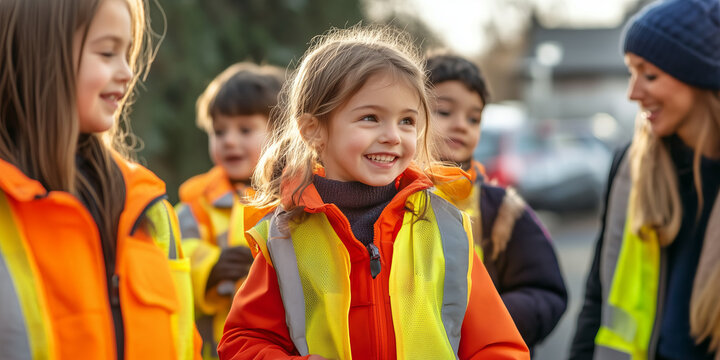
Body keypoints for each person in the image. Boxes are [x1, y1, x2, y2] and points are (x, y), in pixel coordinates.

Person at [217, 26, 530, 360]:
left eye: (407, 121)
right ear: (314, 130)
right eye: (370, 118)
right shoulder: (285, 238)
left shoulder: (448, 228)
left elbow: (498, 347)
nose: (393, 136)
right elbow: (243, 340)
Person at [0, 0, 201, 358]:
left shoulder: (149, 208)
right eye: (107, 53)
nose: (127, 72)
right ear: (39, 56)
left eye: (128, 53)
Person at [570, 0, 720, 359]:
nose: (633, 93)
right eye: (631, 73)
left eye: (649, 74)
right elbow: (597, 298)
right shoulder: (629, 167)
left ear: (700, 78)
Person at [426, 53, 567, 353]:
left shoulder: (503, 209)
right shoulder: (385, 201)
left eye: (473, 117)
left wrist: (485, 319)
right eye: (444, 111)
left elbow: (545, 291)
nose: (461, 125)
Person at [175, 62, 283, 359]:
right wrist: (210, 268)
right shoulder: (195, 205)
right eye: (219, 131)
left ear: (280, 132)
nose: (230, 141)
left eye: (245, 129)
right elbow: (174, 257)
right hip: (214, 347)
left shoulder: (295, 199)